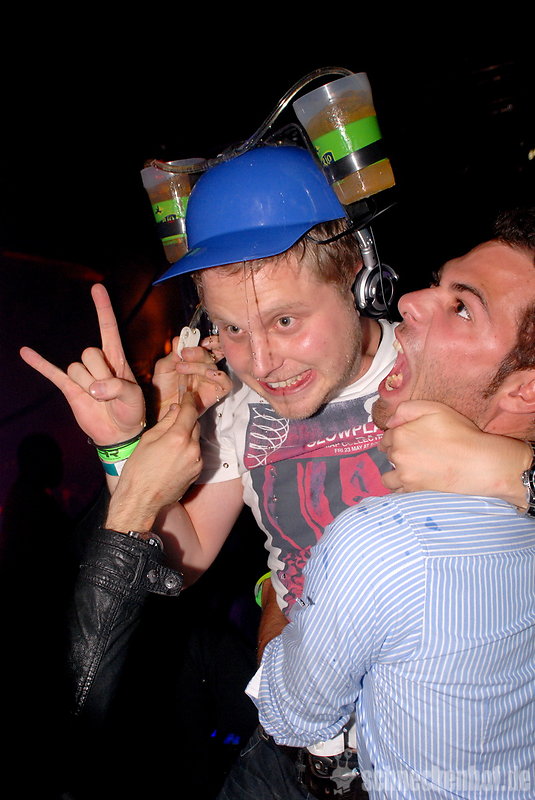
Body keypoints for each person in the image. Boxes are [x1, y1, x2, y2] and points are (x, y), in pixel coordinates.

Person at [19, 143, 533, 795]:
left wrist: (518, 469)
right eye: (232, 330)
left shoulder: (435, 370)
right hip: (286, 745)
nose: (261, 363)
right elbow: (181, 558)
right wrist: (124, 445)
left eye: (285, 320)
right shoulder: (239, 406)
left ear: (357, 281)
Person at [244, 207, 535, 799]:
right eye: (438, 284)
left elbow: (290, 717)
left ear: (526, 389)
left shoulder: (382, 542)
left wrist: (275, 594)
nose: (410, 302)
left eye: (463, 307)